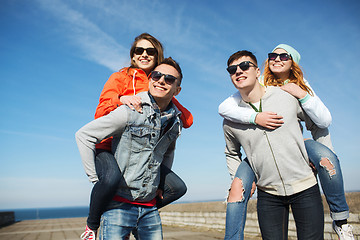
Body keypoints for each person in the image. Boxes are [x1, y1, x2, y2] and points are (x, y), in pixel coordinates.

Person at [219, 44, 354, 240]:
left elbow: (320, 122)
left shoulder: (290, 93)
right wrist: (237, 177)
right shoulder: (232, 117)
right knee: (236, 191)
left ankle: (341, 221)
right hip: (268, 194)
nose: (238, 71)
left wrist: (321, 156)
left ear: (257, 71)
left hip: (304, 187)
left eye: (245, 66)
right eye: (232, 70)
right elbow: (231, 152)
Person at [79, 33, 193, 240]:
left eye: (150, 51)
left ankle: (141, 207)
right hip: (108, 145)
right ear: (132, 55)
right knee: (111, 178)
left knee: (176, 187)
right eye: (138, 50)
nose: (144, 54)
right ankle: (92, 224)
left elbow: (185, 118)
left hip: (142, 153)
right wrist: (121, 99)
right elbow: (101, 111)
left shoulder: (158, 81)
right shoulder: (120, 77)